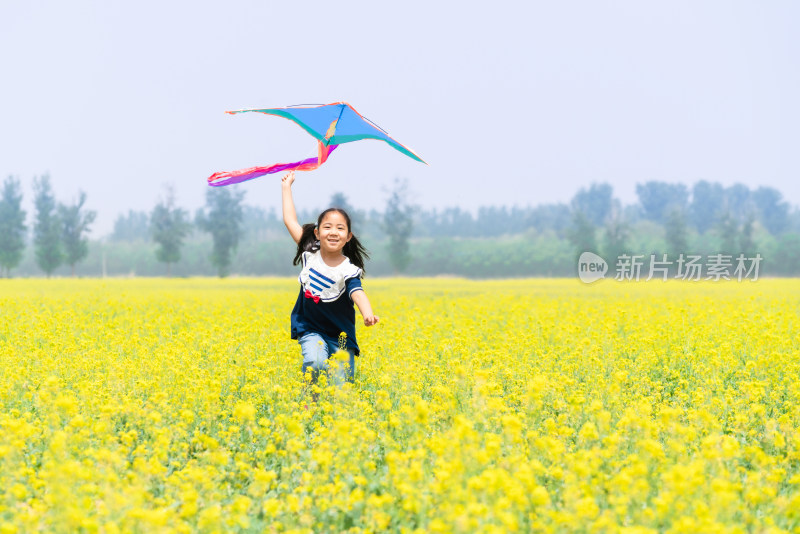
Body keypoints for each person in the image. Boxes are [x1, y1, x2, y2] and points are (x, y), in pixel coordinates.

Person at [281, 170, 379, 386]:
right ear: (317, 233)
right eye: (327, 227)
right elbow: (290, 220)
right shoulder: (310, 255)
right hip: (311, 329)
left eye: (340, 228)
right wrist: (287, 187)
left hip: (341, 337)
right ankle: (310, 406)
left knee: (342, 389)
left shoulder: (348, 269)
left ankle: (333, 417)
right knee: (315, 364)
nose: (333, 232)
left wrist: (367, 313)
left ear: (348, 237)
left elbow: (357, 292)